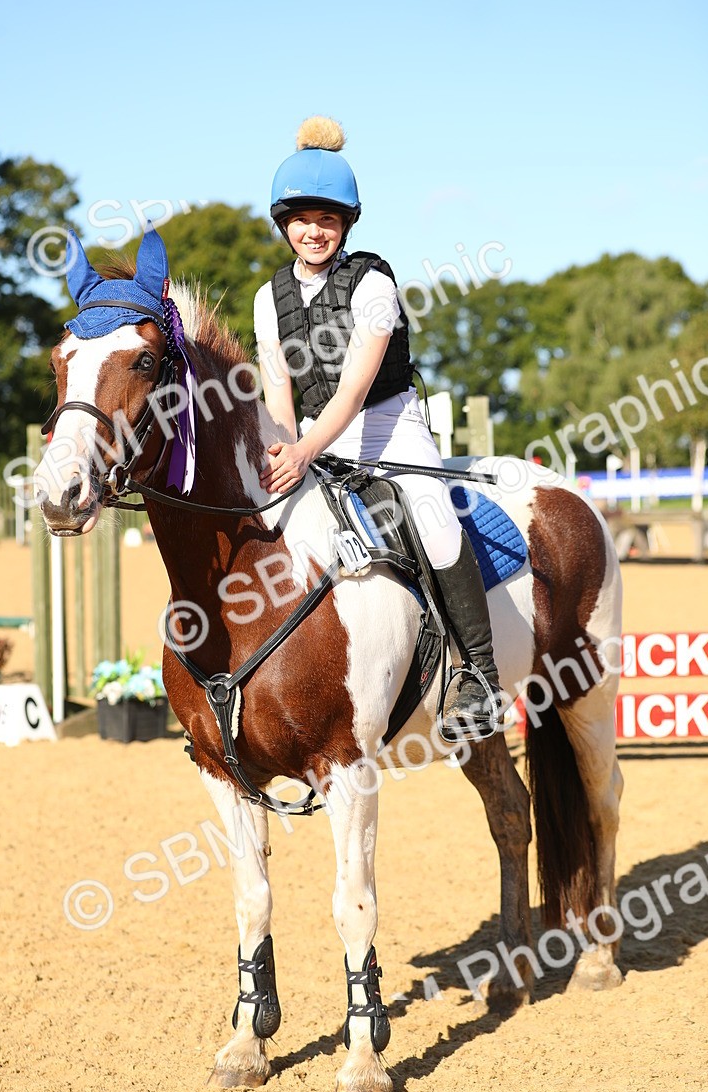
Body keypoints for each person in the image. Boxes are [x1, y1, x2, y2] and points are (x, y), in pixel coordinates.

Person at [254, 116, 500, 735]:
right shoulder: (267, 298)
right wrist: (286, 448)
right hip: (311, 431)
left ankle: (479, 676)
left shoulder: (373, 285)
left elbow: (354, 389)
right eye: (304, 220)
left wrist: (305, 450)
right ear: (285, 224)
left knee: (434, 518)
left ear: (346, 224)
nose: (315, 231)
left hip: (387, 427)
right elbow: (279, 390)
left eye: (329, 220)